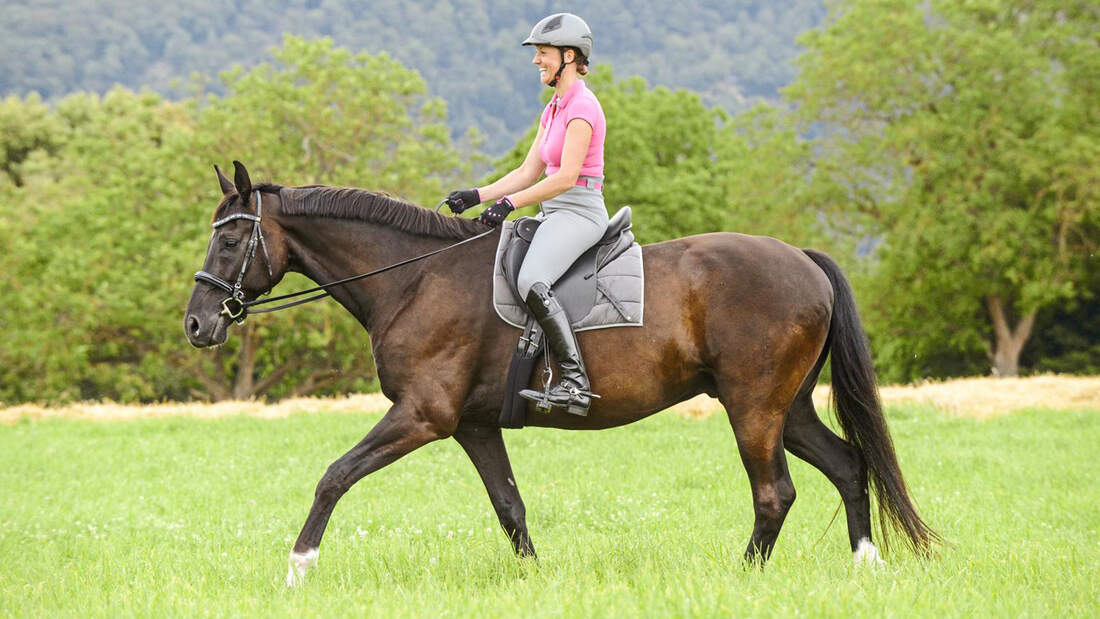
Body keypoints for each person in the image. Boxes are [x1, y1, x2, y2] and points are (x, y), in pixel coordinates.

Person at [445, 12, 606, 416]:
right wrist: (477, 195)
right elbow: (528, 171)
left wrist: (510, 205)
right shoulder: (554, 107)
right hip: (554, 211)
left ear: (569, 55)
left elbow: (567, 176)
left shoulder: (583, 107)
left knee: (532, 278)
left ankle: (576, 381)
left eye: (543, 52)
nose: (537, 60)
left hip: (580, 212)